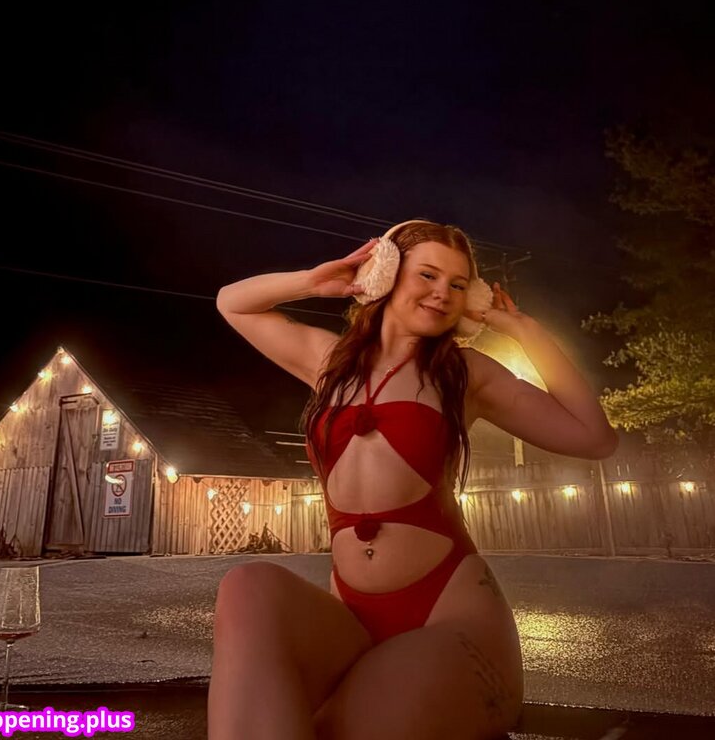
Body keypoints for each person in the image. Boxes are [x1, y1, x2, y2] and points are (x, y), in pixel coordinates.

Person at [209, 220, 618, 739]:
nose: (442, 292)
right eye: (427, 275)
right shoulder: (330, 364)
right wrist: (314, 282)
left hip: (448, 619)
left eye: (458, 284)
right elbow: (232, 303)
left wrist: (522, 330)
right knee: (247, 587)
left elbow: (593, 437)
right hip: (351, 621)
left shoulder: (465, 373)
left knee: (346, 727)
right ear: (386, 274)